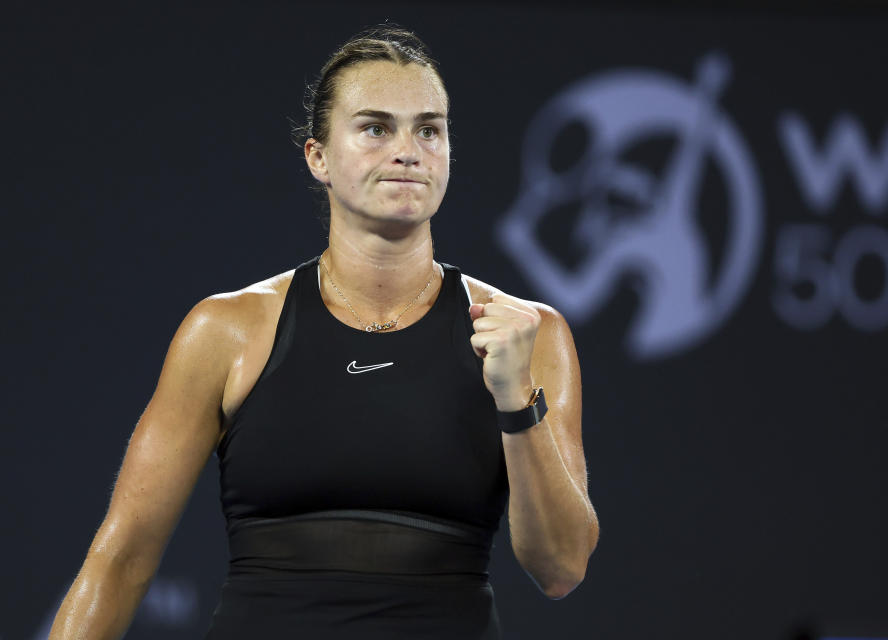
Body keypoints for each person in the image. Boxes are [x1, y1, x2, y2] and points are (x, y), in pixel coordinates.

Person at [48, 25, 598, 640]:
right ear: (318, 158)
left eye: (429, 129)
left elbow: (561, 568)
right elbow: (121, 561)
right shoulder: (227, 330)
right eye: (375, 128)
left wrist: (517, 399)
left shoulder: (529, 334)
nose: (408, 151)